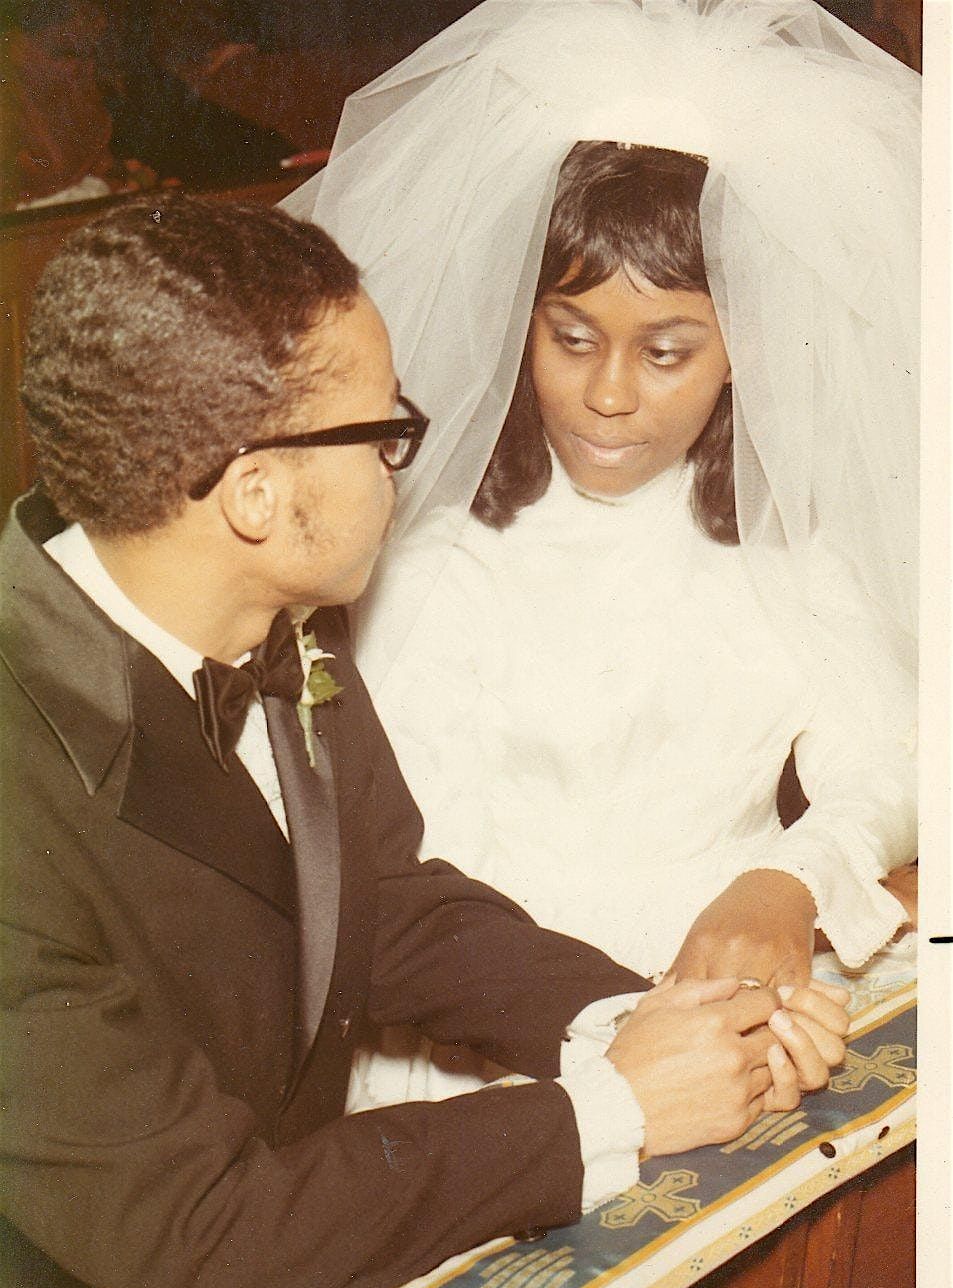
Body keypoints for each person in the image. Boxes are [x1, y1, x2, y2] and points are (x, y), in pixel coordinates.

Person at [0, 194, 848, 1288]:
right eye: (383, 431)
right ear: (257, 496)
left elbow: (383, 898)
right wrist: (608, 1108)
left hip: (297, 1230)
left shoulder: (258, 605)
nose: (404, 463)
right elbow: (199, 1233)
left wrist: (643, 1017)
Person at [282, 0, 918, 1108]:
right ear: (517, 318)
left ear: (743, 346)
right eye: (570, 338)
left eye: (666, 353)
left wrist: (786, 877)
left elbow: (898, 760)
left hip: (720, 994)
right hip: (482, 1022)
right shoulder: (427, 555)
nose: (608, 395)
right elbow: (404, 874)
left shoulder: (787, 547)